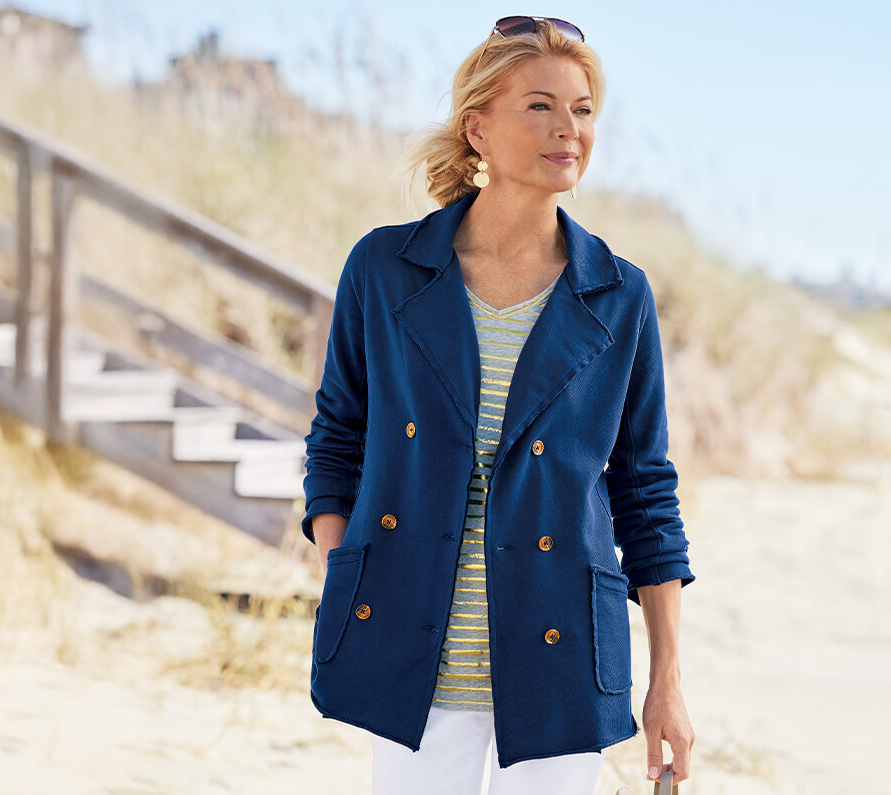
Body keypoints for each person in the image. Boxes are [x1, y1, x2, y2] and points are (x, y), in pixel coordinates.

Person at [302, 15, 695, 794]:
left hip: (560, 659)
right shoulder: (385, 268)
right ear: (478, 128)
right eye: (540, 106)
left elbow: (645, 489)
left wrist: (668, 680)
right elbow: (336, 439)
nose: (568, 130)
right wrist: (347, 565)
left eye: (583, 110)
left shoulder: (619, 296)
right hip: (411, 652)